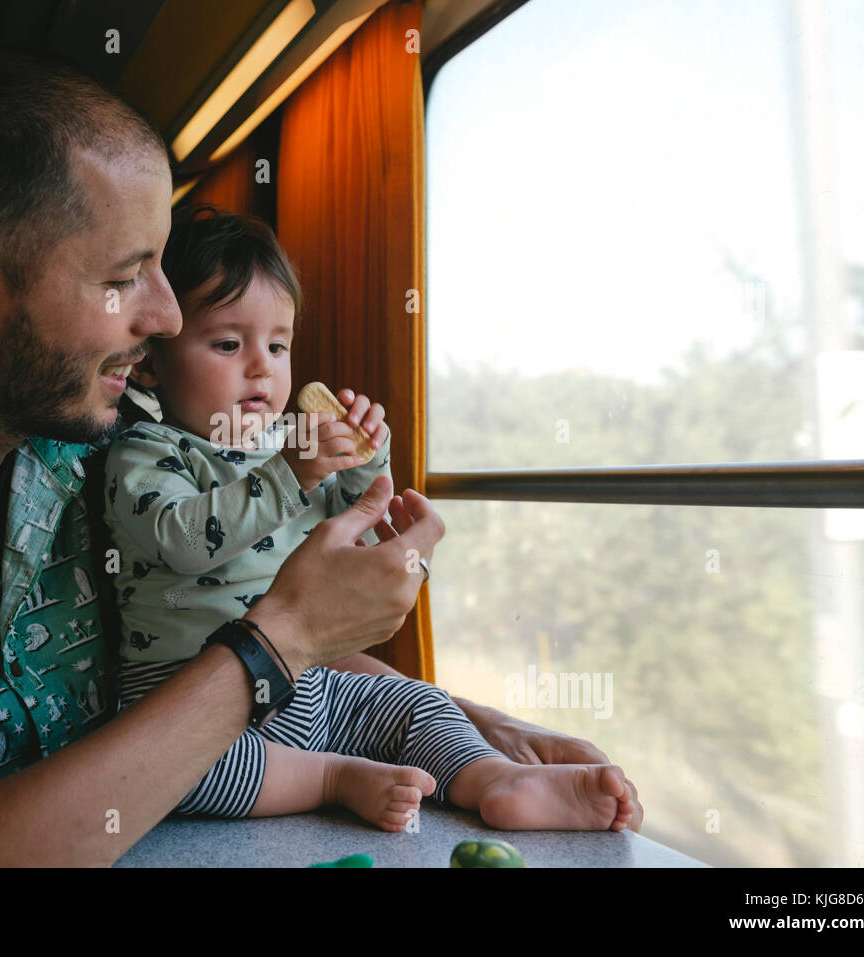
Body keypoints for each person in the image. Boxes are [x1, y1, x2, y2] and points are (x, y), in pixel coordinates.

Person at [0, 51, 638, 867]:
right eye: (126, 278)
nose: (163, 316)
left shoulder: (106, 440)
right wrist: (280, 638)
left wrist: (467, 733)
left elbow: (248, 624)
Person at [104, 206, 639, 833]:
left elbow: (338, 520)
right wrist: (290, 474)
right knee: (182, 772)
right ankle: (333, 777)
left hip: (309, 679)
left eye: (279, 345)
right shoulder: (145, 452)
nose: (263, 367)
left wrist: (363, 459)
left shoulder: (288, 443)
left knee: (415, 703)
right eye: (228, 344)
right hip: (184, 691)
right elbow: (182, 541)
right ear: (149, 363)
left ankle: (496, 778)